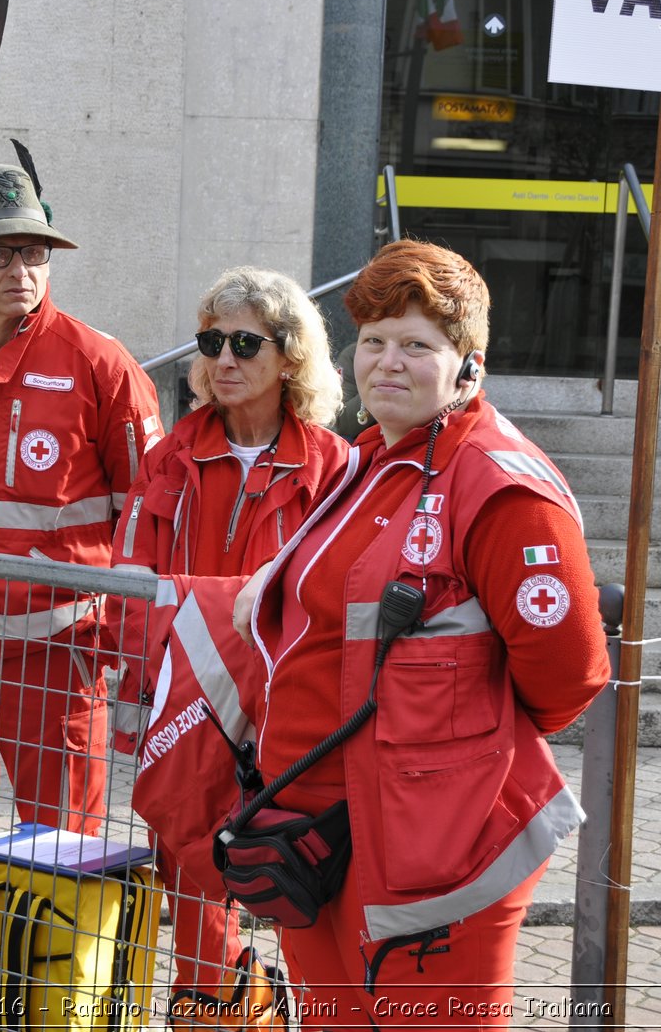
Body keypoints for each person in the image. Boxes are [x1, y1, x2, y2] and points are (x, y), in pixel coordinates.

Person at [231, 239, 609, 1027]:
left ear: (468, 362)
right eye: (373, 340)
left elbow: (567, 675)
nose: (387, 362)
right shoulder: (371, 458)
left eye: (417, 345)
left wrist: (454, 749)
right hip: (319, 839)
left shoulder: (501, 486)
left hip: (435, 850)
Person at [0, 150, 164, 985]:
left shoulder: (101, 365)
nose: (22, 268)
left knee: (61, 836)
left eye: (35, 251)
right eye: (1, 252)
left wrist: (128, 655)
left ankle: (54, 993)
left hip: (53, 651)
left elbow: (145, 520)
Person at [109, 267, 347, 1026]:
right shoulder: (171, 455)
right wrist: (176, 668)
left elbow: (339, 595)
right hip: (191, 702)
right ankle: (207, 1005)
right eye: (213, 341)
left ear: (291, 358)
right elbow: (131, 584)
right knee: (189, 863)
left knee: (293, 865)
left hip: (291, 709)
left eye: (247, 342)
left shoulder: (331, 467)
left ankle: (295, 1003)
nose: (225, 358)